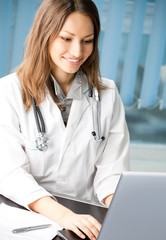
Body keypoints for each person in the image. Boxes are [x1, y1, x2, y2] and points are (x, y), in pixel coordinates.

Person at [0, 0, 130, 239]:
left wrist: (124, 214)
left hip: (83, 218)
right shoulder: (9, 91)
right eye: (66, 38)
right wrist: (64, 216)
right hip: (22, 216)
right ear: (44, 35)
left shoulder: (108, 93)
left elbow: (111, 173)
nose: (77, 52)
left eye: (87, 41)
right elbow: (10, 174)